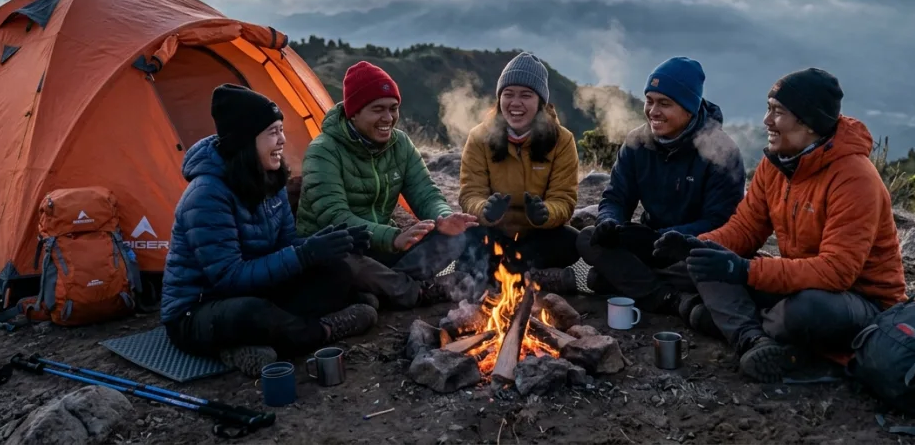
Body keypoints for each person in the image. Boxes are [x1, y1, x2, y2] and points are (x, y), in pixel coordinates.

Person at [652, 68, 906, 382]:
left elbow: (836, 272)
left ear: (809, 122)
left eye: (778, 112)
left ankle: (734, 322)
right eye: (768, 109)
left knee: (807, 309)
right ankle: (751, 339)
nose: (767, 121)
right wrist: (697, 245)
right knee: (708, 262)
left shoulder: (854, 179)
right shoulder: (777, 164)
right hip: (800, 282)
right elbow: (745, 229)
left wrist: (743, 271)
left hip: (859, 301)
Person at [161, 84, 378, 377]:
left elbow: (286, 245)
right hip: (197, 310)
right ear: (246, 139)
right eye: (273, 132)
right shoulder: (206, 195)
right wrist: (304, 255)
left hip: (257, 289)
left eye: (281, 130)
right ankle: (324, 330)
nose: (282, 140)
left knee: (337, 271)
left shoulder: (270, 180)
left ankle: (259, 341)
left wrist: (325, 245)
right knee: (250, 314)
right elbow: (228, 278)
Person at [296, 61, 480, 309]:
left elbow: (425, 192)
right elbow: (334, 216)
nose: (388, 118)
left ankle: (381, 289)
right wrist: (392, 238)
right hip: (338, 247)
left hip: (382, 247)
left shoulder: (400, 144)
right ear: (354, 113)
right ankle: (414, 292)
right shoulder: (323, 151)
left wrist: (443, 217)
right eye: (378, 109)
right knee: (345, 263)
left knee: (453, 238)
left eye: (393, 108)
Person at [576, 56, 745, 310]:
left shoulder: (722, 153)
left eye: (664, 103)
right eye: (649, 101)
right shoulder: (637, 144)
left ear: (689, 108)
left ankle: (631, 283)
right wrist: (609, 221)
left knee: (707, 267)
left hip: (690, 249)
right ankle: (669, 298)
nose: (653, 111)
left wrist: (670, 237)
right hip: (649, 244)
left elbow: (720, 221)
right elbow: (616, 197)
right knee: (588, 239)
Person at [457, 52, 581, 293]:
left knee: (572, 241)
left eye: (526, 95)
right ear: (499, 98)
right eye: (508, 94)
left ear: (540, 102)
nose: (515, 103)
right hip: (494, 233)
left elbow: (564, 199)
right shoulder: (479, 137)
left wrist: (545, 213)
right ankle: (528, 276)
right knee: (465, 239)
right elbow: (470, 193)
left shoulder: (562, 140)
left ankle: (500, 275)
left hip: (538, 236)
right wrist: (485, 210)